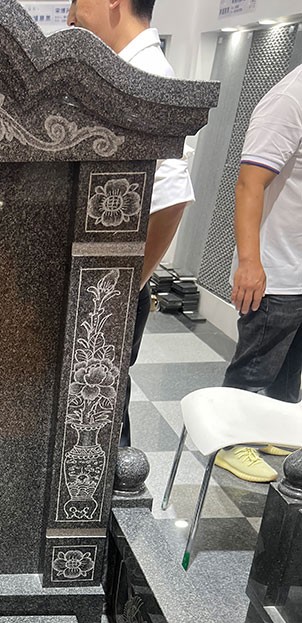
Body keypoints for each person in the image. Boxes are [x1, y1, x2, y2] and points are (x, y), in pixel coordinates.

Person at [67, 0, 194, 446]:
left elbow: (173, 195)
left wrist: (125, 286)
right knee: (94, 397)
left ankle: (111, 487)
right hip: (102, 284)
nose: (71, 14)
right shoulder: (122, 71)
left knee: (98, 404)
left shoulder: (146, 77)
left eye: (78, 1)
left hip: (108, 288)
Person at [216, 64, 302, 483]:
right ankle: (231, 441)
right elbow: (249, 183)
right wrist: (250, 262)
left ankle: (270, 429)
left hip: (298, 264)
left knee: (289, 370)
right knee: (255, 365)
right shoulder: (290, 98)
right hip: (274, 267)